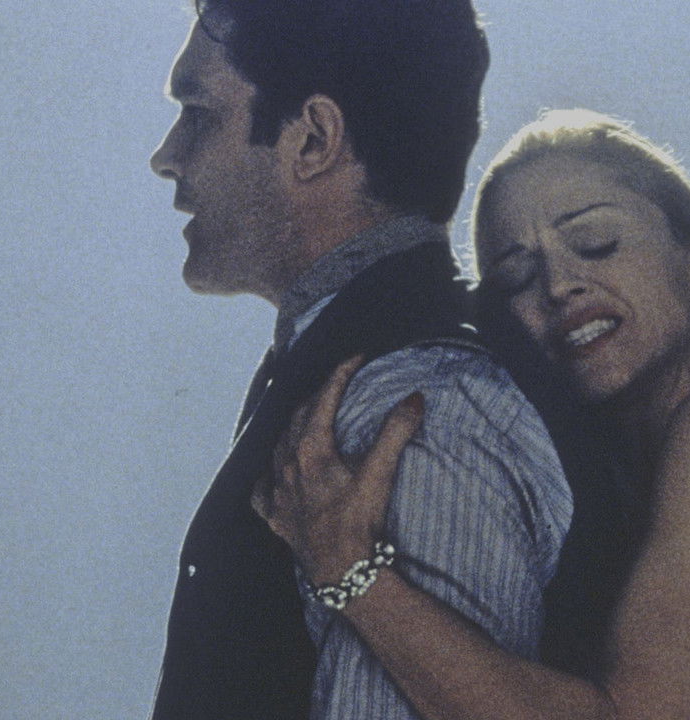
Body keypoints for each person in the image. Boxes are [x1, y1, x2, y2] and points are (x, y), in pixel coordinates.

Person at [257, 109, 690, 719]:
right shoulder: (604, 497)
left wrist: (354, 575)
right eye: (516, 277)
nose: (559, 284)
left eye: (595, 243)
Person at [146, 3, 572, 719]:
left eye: (199, 114)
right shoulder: (362, 373)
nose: (166, 156)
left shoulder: (418, 404)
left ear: (314, 139)